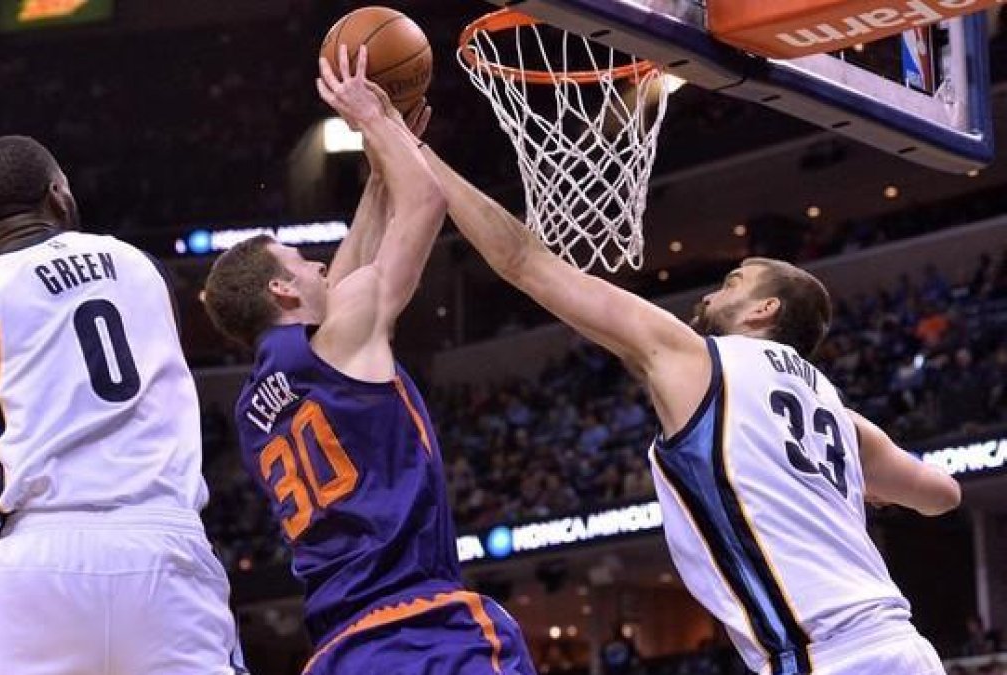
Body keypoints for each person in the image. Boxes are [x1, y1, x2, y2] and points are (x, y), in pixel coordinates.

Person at [417, 143, 961, 673]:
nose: (709, 295)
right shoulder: (842, 417)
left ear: (763, 310)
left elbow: (522, 260)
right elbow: (943, 495)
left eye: (732, 283)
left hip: (827, 657)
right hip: (904, 645)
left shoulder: (699, 359)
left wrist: (410, 143)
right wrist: (870, 485)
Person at [0, 135, 246, 674]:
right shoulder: (147, 270)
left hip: (29, 565)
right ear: (59, 195)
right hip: (165, 552)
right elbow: (107, 396)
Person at [200, 46, 535, 674]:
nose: (321, 264)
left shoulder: (254, 405)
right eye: (302, 263)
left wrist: (384, 163)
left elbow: (357, 256)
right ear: (282, 290)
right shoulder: (343, 334)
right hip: (424, 624)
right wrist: (374, 123)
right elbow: (428, 203)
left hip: (340, 649)